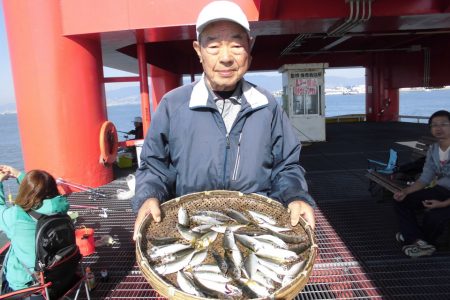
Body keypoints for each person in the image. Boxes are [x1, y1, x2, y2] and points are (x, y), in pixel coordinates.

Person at [132, 0, 315, 240]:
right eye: (214, 46)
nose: (226, 57)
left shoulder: (266, 105)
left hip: (254, 230)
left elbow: (287, 166)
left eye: (237, 45)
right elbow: (154, 167)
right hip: (191, 230)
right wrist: (148, 197)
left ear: (249, 48)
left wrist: (295, 195)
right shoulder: (173, 105)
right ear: (198, 50)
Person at [0, 165, 69, 294]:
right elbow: (40, 194)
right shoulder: (60, 207)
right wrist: (19, 175)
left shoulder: (17, 217)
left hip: (29, 285)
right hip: (61, 274)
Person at [393, 110, 450, 257]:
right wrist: (405, 191)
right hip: (442, 190)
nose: (438, 128)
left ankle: (414, 239)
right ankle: (418, 241)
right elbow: (425, 179)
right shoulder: (433, 149)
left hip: (445, 197)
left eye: (443, 124)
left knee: (435, 217)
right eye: (434, 125)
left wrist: (443, 204)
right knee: (403, 200)